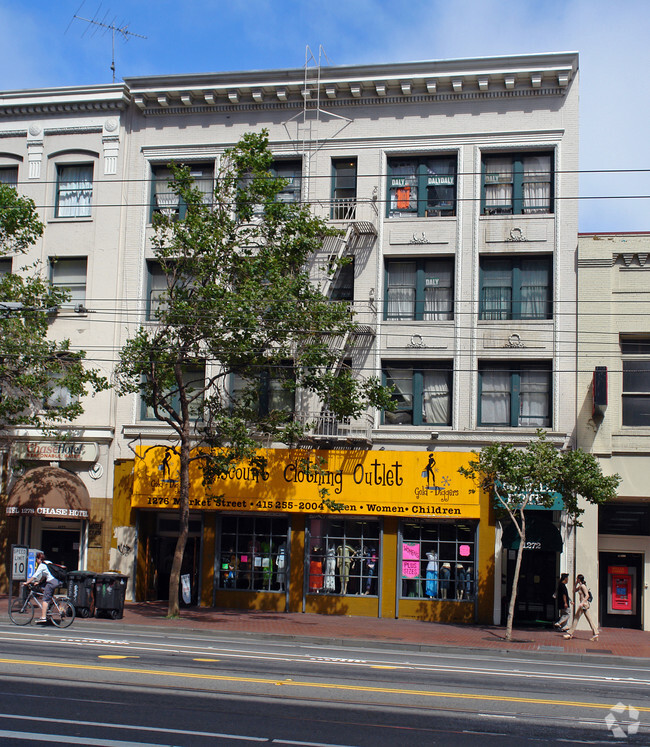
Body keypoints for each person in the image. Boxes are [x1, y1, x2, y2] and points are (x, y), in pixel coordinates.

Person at [24, 551, 59, 625]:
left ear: (39, 559)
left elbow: (34, 576)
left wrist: (27, 582)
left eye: (37, 559)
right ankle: (49, 611)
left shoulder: (42, 565)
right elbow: (44, 575)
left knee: (45, 600)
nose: (36, 561)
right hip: (56, 581)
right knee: (46, 593)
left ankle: (43, 617)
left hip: (51, 582)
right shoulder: (48, 562)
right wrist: (39, 582)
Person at [563, 574, 599, 641]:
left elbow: (587, 596)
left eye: (577, 579)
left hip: (583, 605)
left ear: (579, 579)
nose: (576, 579)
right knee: (588, 619)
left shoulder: (583, 586)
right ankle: (595, 633)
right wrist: (575, 583)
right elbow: (573, 590)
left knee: (576, 618)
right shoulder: (580, 586)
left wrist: (582, 603)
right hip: (583, 606)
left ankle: (570, 633)